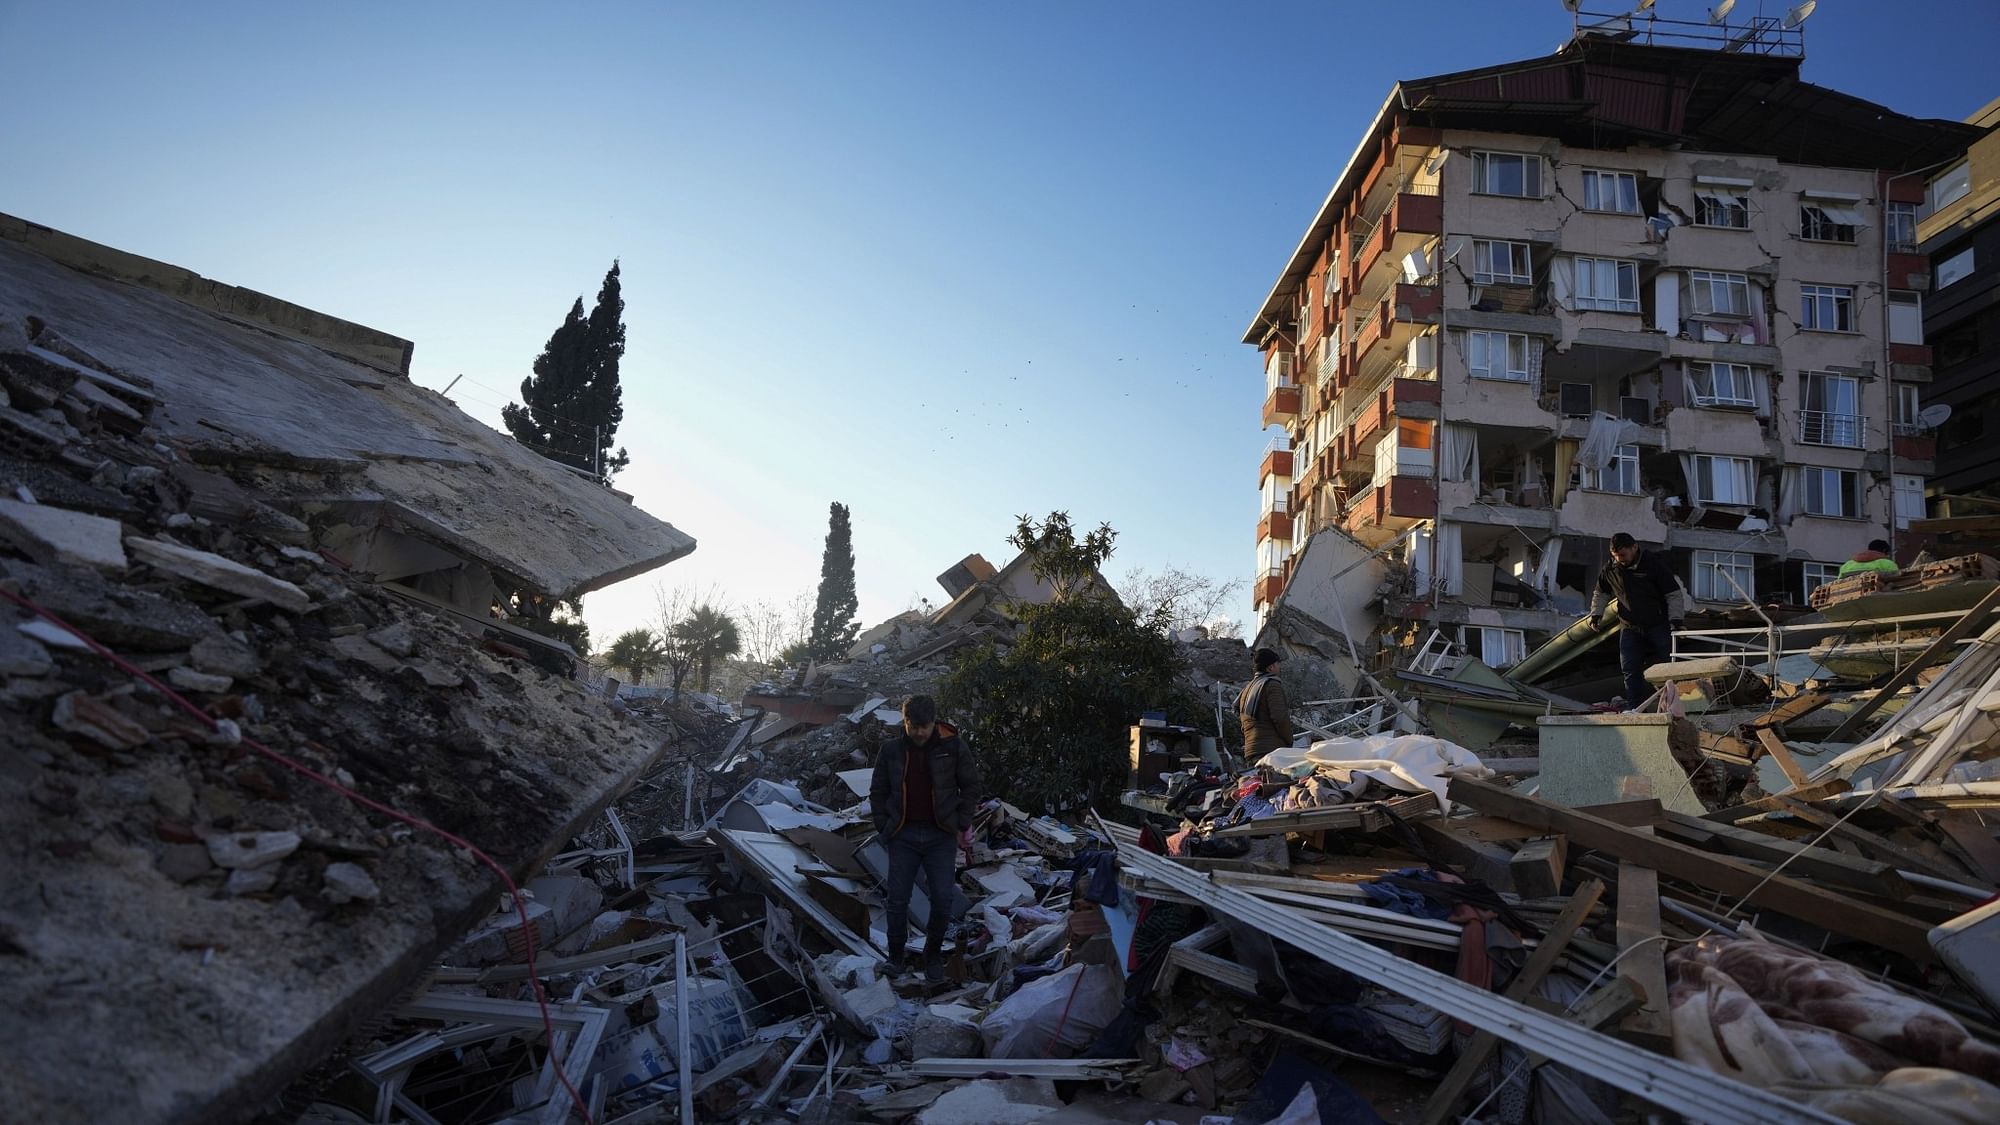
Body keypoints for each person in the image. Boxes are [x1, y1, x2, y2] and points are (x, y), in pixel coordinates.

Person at [868, 694, 980, 981]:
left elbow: (970, 786)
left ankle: (932, 958)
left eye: (924, 726)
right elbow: (878, 792)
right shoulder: (891, 751)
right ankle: (896, 959)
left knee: (942, 899)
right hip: (902, 834)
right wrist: (885, 826)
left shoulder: (952, 746)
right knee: (897, 900)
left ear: (934, 723)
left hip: (940, 835)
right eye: (912, 725)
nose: (918, 732)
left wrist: (961, 822)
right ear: (904, 722)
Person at [1588, 532, 1690, 710]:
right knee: (1630, 668)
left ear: (1634, 548)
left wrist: (1676, 620)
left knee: (1669, 665)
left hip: (1657, 624)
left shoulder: (1653, 564)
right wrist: (1596, 615)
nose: (1620, 560)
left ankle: (1677, 705)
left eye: (1623, 555)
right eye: (1616, 556)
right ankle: (1635, 708)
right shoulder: (1610, 569)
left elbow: (1673, 594)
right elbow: (1601, 593)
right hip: (1629, 626)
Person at [1237, 647, 1295, 760]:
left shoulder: (1247, 689)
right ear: (1270, 667)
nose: (1279, 667)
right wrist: (1289, 740)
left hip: (1252, 751)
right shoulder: (1272, 684)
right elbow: (1280, 718)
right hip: (1271, 752)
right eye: (1277, 664)